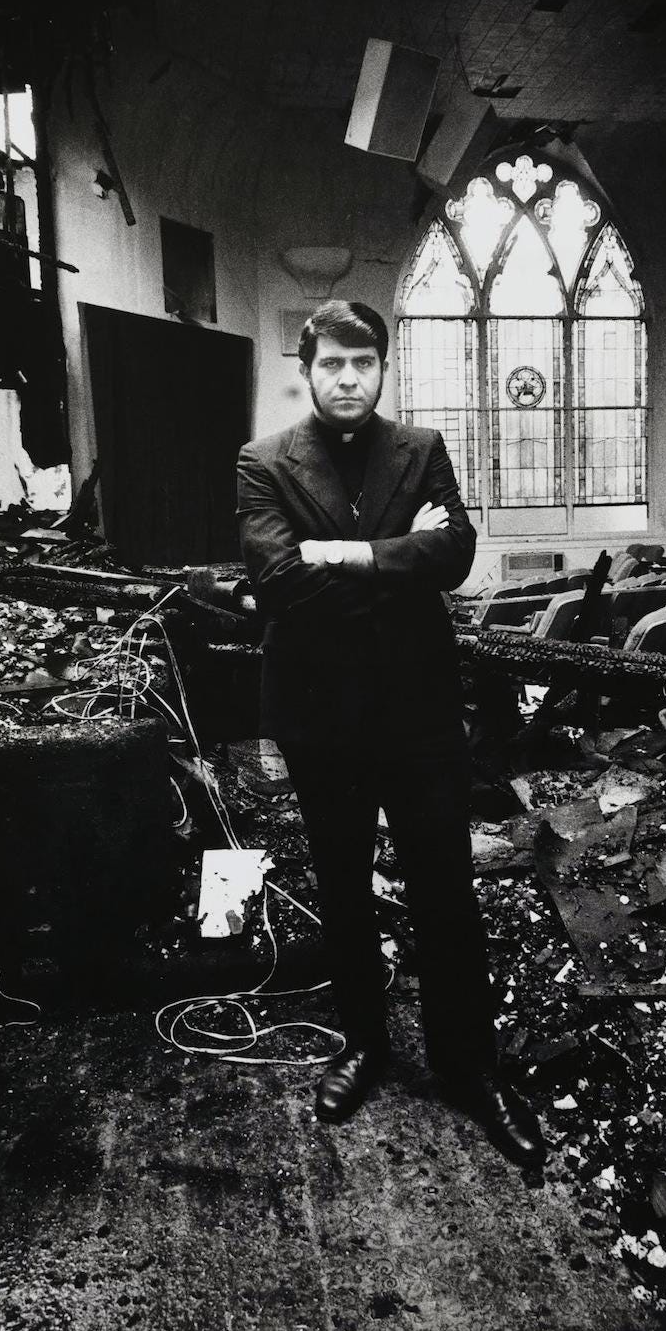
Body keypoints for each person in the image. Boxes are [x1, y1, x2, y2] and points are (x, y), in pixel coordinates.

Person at [235, 300, 545, 1168]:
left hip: (415, 712)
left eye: (363, 364)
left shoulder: (420, 449)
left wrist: (339, 554)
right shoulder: (263, 461)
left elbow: (455, 557)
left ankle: (468, 1067)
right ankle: (363, 1043)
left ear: (382, 368)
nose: (348, 380)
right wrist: (390, 555)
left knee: (444, 886)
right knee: (340, 880)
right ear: (307, 366)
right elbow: (277, 577)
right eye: (332, 364)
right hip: (319, 714)